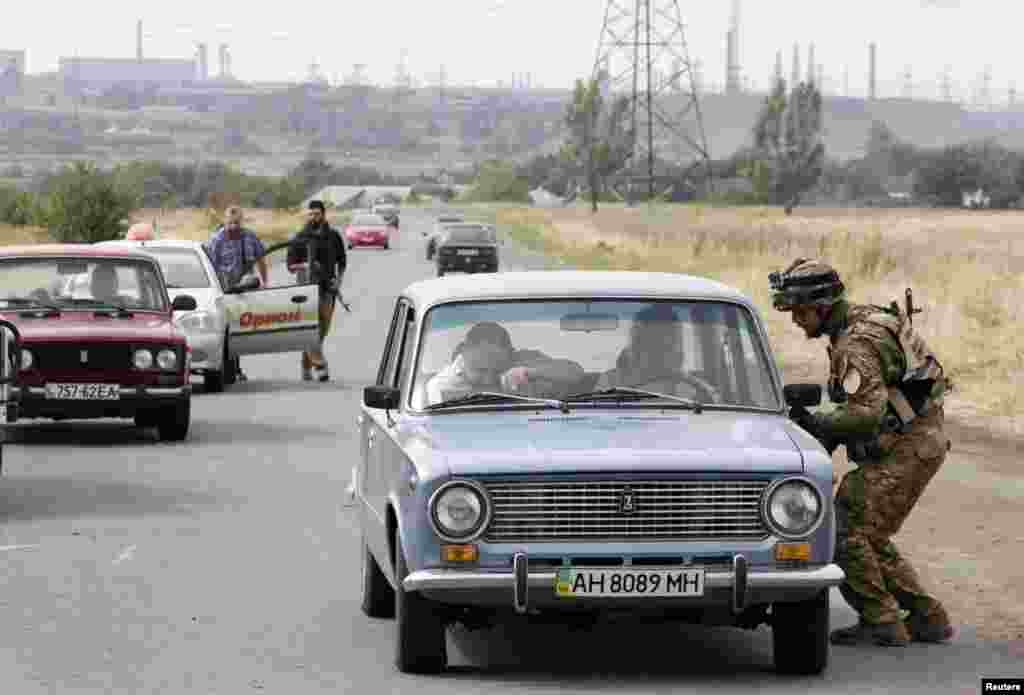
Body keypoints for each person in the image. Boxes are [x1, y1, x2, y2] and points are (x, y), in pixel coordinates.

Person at [770, 257, 954, 647]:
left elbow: (865, 415)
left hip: (907, 446)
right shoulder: (863, 321)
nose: (795, 321)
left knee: (838, 527)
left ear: (821, 307)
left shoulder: (855, 343)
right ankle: (926, 616)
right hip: (918, 439)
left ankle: (882, 620)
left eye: (800, 311)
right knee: (868, 532)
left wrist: (816, 425)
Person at [425, 321, 584, 405]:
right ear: (464, 354)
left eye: (497, 371)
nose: (488, 379)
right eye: (480, 370)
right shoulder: (443, 385)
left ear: (511, 355)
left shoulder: (522, 361)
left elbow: (576, 372)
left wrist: (531, 373)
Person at [595, 304, 720, 402]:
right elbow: (597, 418)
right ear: (634, 345)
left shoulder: (695, 388)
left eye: (667, 344)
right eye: (646, 342)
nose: (656, 352)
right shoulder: (611, 382)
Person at [286, 200, 347, 382]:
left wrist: (339, 282)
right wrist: (305, 265)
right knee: (310, 329)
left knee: (323, 329)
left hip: (328, 289)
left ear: (323, 214)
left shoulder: (334, 236)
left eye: (317, 214)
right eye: (310, 214)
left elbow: (342, 262)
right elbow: (290, 265)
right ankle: (320, 365)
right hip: (306, 292)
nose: (314, 217)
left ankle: (306, 364)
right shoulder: (300, 237)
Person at [205, 206, 268, 382]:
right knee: (227, 330)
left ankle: (236, 367)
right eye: (230, 223)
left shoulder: (250, 237)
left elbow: (261, 258)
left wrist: (264, 282)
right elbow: (209, 266)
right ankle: (229, 366)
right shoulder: (216, 241)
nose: (233, 226)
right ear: (224, 221)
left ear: (242, 221)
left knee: (240, 329)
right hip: (224, 290)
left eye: (237, 223)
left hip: (244, 289)